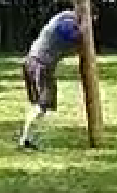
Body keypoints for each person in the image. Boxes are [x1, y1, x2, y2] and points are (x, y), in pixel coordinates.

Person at [18, 9, 83, 150]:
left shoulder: (63, 16)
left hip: (31, 61)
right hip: (41, 64)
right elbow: (69, 34)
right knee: (42, 105)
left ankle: (27, 137)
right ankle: (26, 138)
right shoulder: (68, 22)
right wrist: (83, 33)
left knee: (39, 104)